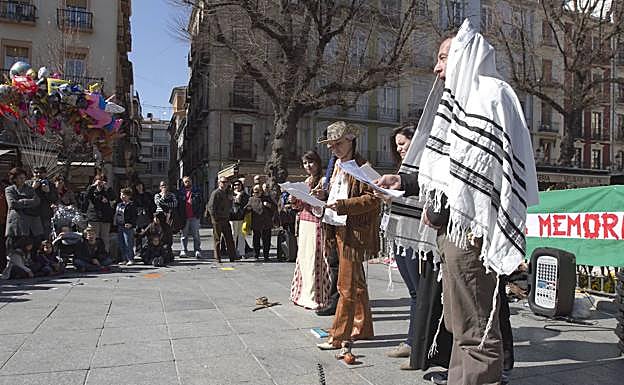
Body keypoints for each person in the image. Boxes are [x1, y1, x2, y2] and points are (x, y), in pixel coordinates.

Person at [376, 20, 538, 385]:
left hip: (472, 237)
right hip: (453, 233)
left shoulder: (488, 99)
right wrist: (403, 180)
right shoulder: (459, 106)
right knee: (458, 317)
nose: (436, 67)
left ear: (464, 57)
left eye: (443, 57)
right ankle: (459, 377)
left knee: (476, 318)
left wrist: (443, 210)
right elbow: (446, 175)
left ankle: (479, 379)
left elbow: (479, 183)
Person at [314, 121, 380, 358]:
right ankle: (363, 328)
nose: (333, 148)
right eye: (330, 145)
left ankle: (338, 336)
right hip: (337, 228)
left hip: (353, 232)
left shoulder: (363, 166)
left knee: (346, 286)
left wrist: (342, 205)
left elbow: (375, 198)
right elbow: (336, 192)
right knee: (357, 283)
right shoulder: (336, 166)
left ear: (351, 140)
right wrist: (321, 195)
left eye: (338, 143)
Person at [289, 150, 332, 310]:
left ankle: (316, 295)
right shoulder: (306, 181)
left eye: (311, 162)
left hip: (317, 224)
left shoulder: (324, 180)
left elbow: (328, 202)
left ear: (318, 162)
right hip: (305, 223)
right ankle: (303, 293)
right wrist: (294, 199)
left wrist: (321, 197)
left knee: (316, 259)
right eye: (305, 163)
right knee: (304, 258)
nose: (308, 166)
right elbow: (299, 207)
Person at [5, 167, 43, 253]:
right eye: (20, 178)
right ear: (14, 179)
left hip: (31, 224)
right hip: (17, 225)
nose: (23, 180)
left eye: (24, 178)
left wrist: (21, 201)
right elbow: (12, 204)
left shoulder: (29, 189)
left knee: (31, 249)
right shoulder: (10, 190)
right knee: (14, 250)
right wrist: (28, 201)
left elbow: (37, 201)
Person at [206, 177, 237, 262]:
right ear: (219, 183)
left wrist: (230, 199)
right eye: (223, 182)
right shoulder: (215, 193)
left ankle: (232, 256)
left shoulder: (227, 193)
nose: (225, 184)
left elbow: (229, 206)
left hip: (226, 219)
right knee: (217, 239)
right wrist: (214, 219)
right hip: (218, 220)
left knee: (229, 238)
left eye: (226, 182)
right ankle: (218, 257)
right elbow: (211, 207)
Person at [245, 184, 275, 261]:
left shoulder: (267, 198)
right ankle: (256, 255)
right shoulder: (251, 199)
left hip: (266, 222)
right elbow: (247, 208)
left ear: (261, 191)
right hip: (256, 222)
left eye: (258, 192)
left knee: (266, 240)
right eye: (255, 192)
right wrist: (247, 209)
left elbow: (275, 208)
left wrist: (269, 205)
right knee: (256, 239)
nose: (257, 193)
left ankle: (266, 256)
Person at [86, 175, 115, 253]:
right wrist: (93, 186)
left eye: (102, 181)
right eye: (99, 181)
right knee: (93, 237)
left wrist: (107, 187)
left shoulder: (106, 190)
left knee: (104, 238)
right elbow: (86, 196)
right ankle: (92, 255)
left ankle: (104, 255)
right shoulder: (92, 190)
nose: (100, 183)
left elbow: (113, 197)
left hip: (105, 218)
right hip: (94, 217)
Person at [28, 166, 59, 239]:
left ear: (45, 174)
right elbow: (24, 197)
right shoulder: (28, 184)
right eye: (36, 172)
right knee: (32, 237)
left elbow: (55, 199)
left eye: (41, 172)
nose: (38, 174)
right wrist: (33, 188)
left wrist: (48, 192)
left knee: (44, 236)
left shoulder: (51, 185)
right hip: (31, 215)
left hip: (45, 214)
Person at [177, 176, 203, 258]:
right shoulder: (180, 192)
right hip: (184, 217)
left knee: (196, 235)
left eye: (188, 181)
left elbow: (202, 203)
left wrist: (199, 214)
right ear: (183, 183)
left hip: (194, 216)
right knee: (184, 235)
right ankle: (184, 250)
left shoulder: (197, 191)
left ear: (191, 181)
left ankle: (197, 250)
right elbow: (178, 205)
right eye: (185, 181)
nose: (187, 183)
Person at [114, 188, 137, 265]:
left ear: (128, 196)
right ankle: (124, 259)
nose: (122, 196)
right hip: (120, 226)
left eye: (124, 195)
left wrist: (132, 224)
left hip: (128, 226)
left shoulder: (132, 205)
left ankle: (130, 258)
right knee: (121, 243)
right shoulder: (119, 204)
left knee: (128, 243)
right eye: (121, 194)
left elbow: (134, 216)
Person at [133, 181, 156, 252]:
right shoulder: (134, 196)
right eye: (137, 186)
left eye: (140, 185)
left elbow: (153, 205)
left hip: (147, 216)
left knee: (148, 233)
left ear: (143, 186)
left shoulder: (148, 195)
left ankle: (148, 249)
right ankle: (138, 250)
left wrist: (150, 211)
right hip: (138, 216)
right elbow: (133, 206)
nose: (139, 187)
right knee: (138, 234)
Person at [229, 179, 249, 258]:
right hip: (232, 217)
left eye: (239, 185)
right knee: (233, 234)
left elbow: (246, 204)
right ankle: (233, 252)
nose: (237, 186)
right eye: (235, 185)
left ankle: (241, 252)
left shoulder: (245, 195)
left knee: (242, 235)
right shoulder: (230, 194)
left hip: (242, 217)